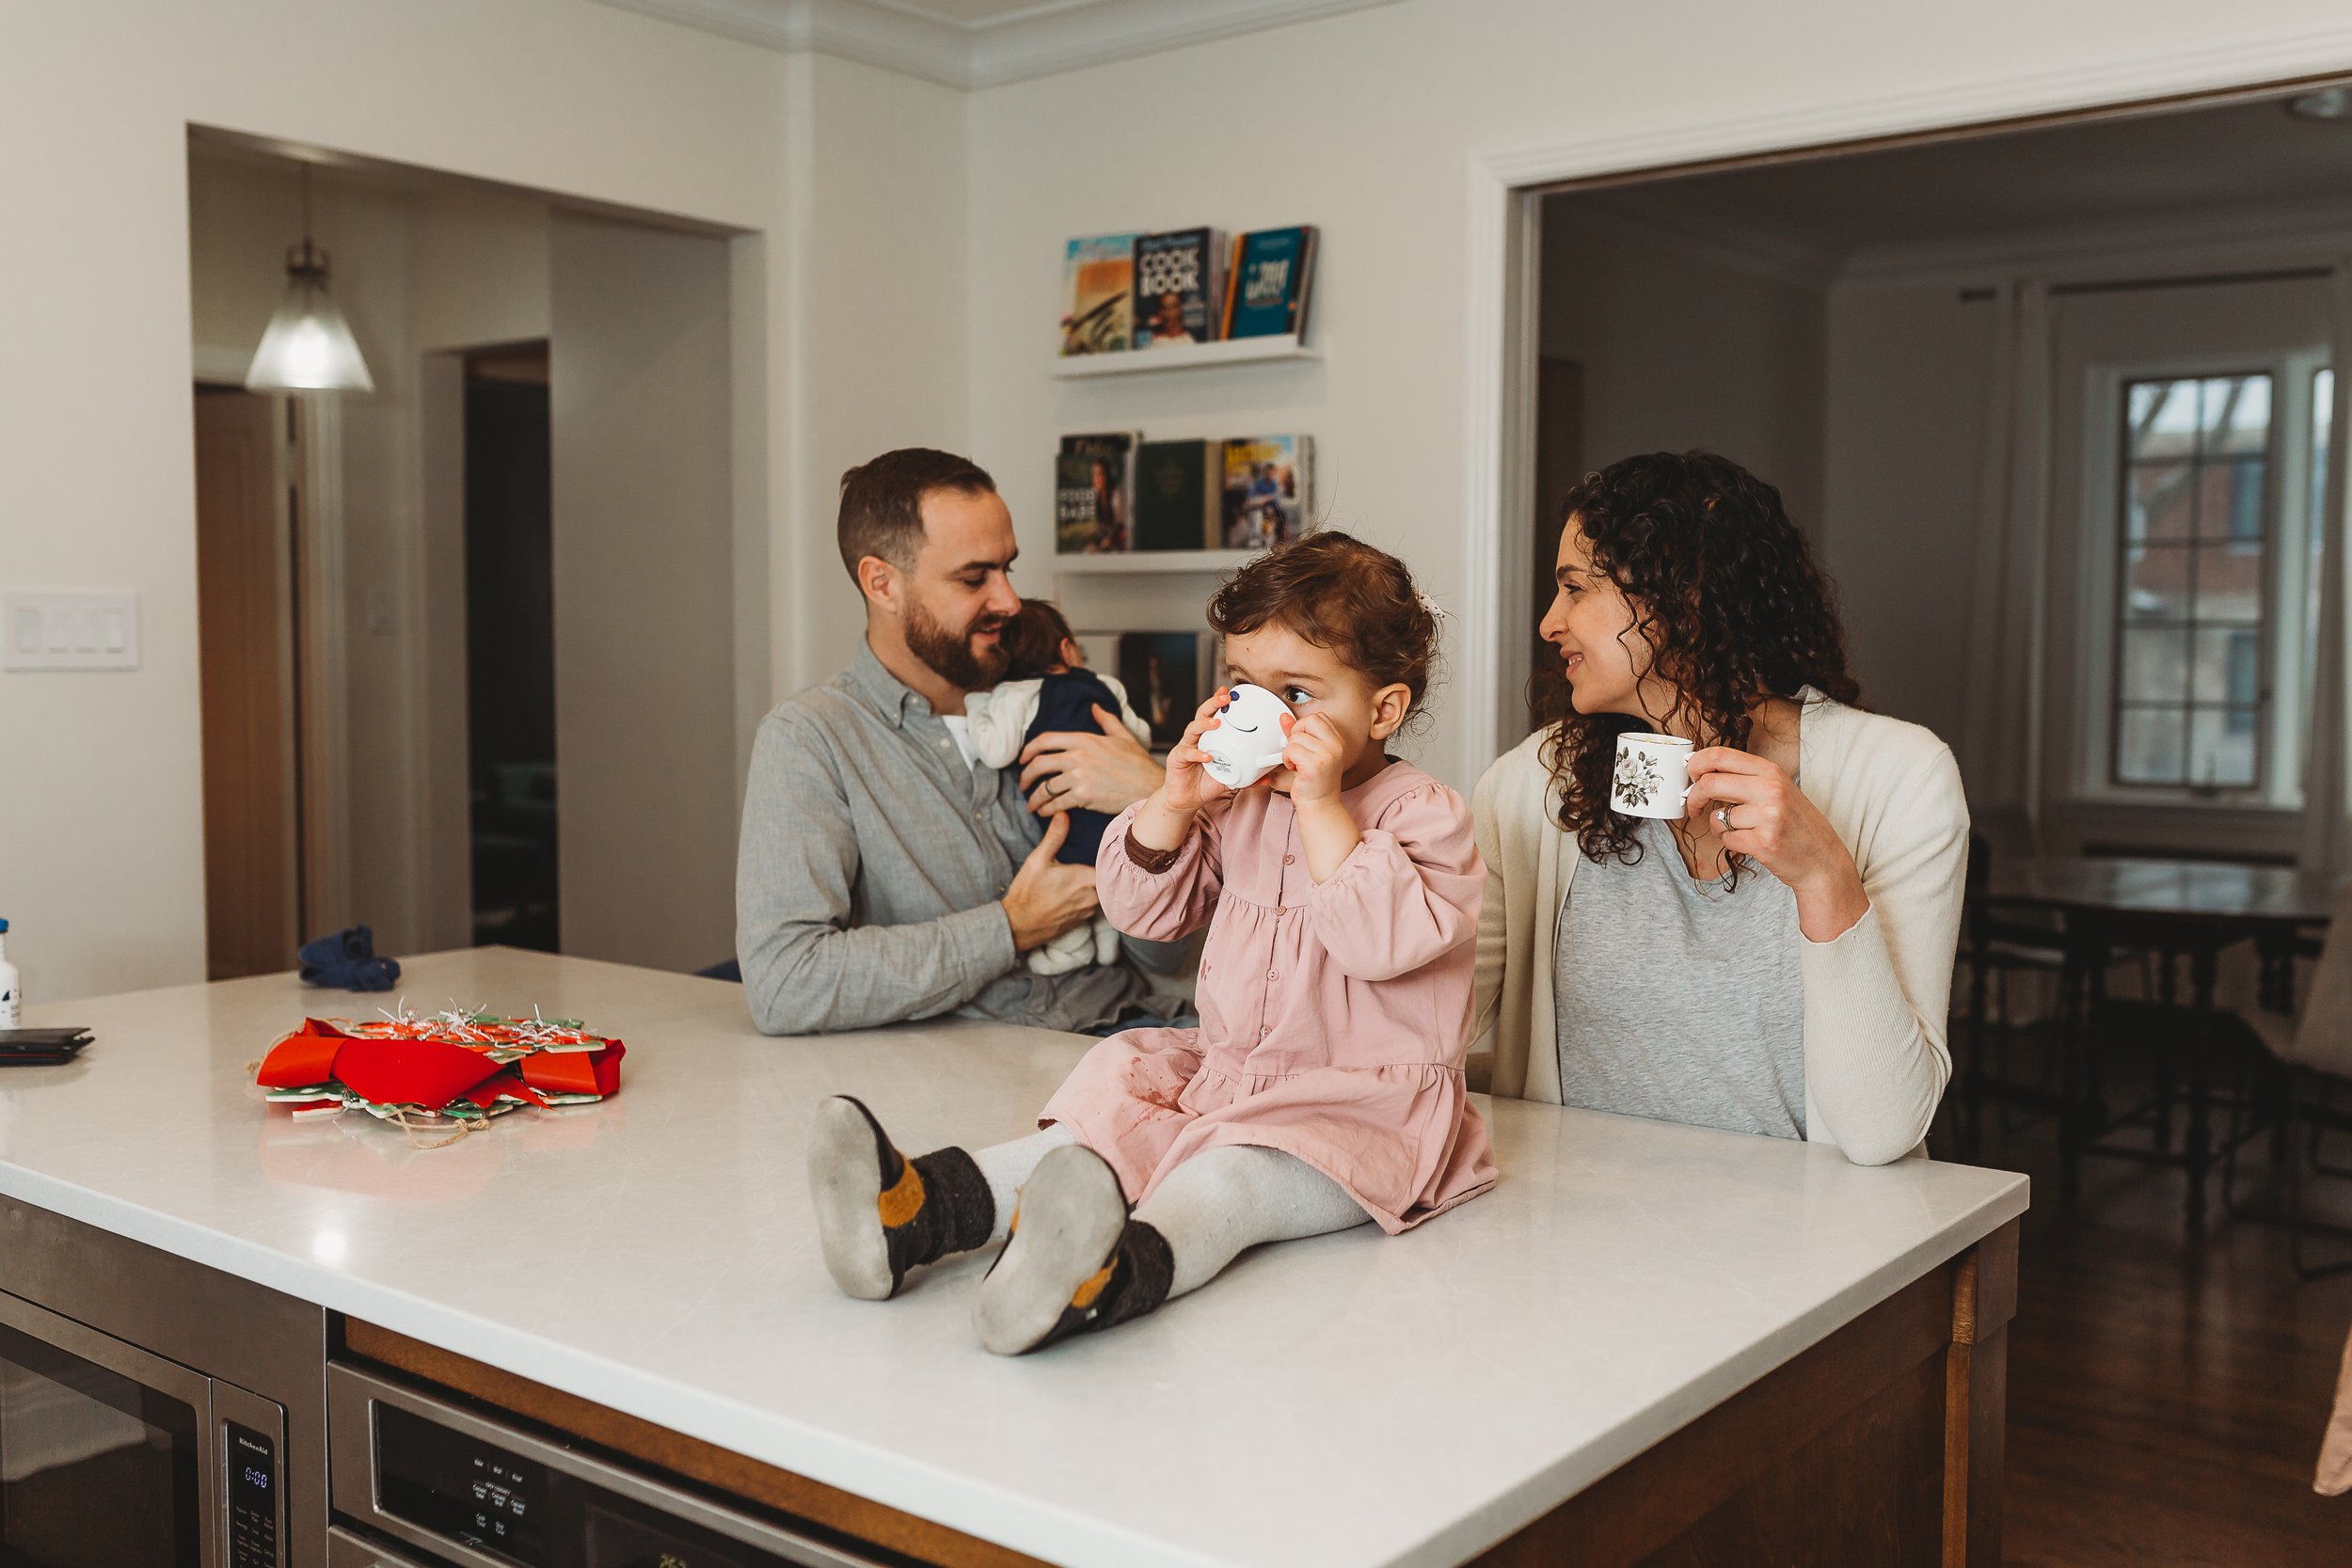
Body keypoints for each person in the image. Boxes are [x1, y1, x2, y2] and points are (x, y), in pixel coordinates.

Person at [806, 532, 1494, 1354]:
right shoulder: (1235, 803)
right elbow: (1144, 910)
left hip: (1359, 1109)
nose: (1265, 714)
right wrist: (1173, 799)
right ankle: (920, 1209)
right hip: (1231, 1074)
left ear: (1382, 709)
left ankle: (1101, 1276)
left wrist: (1320, 808)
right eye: (1243, 684)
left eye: (1298, 693)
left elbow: (1378, 942)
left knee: (1229, 1174)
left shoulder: (1425, 815)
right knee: (1104, 1115)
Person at [1470, 451, 1967, 1166]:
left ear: (1682, 597)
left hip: (1804, 1250)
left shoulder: (1901, 778)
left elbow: (1884, 1128)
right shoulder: (1533, 784)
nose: (1550, 623)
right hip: (1565, 1237)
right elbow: (1425, 1029)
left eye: (1576, 588)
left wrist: (1827, 877)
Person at [735, 449, 1174, 1036]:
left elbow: (1167, 962)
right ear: (882, 583)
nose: (1010, 601)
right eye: (974, 578)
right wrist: (1011, 928)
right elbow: (785, 983)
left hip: (1137, 1036)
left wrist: (1161, 807)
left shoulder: (1062, 701)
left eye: (1007, 569)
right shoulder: (811, 741)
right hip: (969, 1080)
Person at [965, 600, 1155, 975]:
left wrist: (977, 706)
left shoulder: (1013, 695)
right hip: (1121, 817)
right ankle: (1106, 943)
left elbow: (996, 750)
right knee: (1112, 872)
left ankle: (1074, 949)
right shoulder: (1103, 684)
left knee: (1069, 872)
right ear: (1068, 649)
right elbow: (1141, 739)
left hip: (1067, 820)